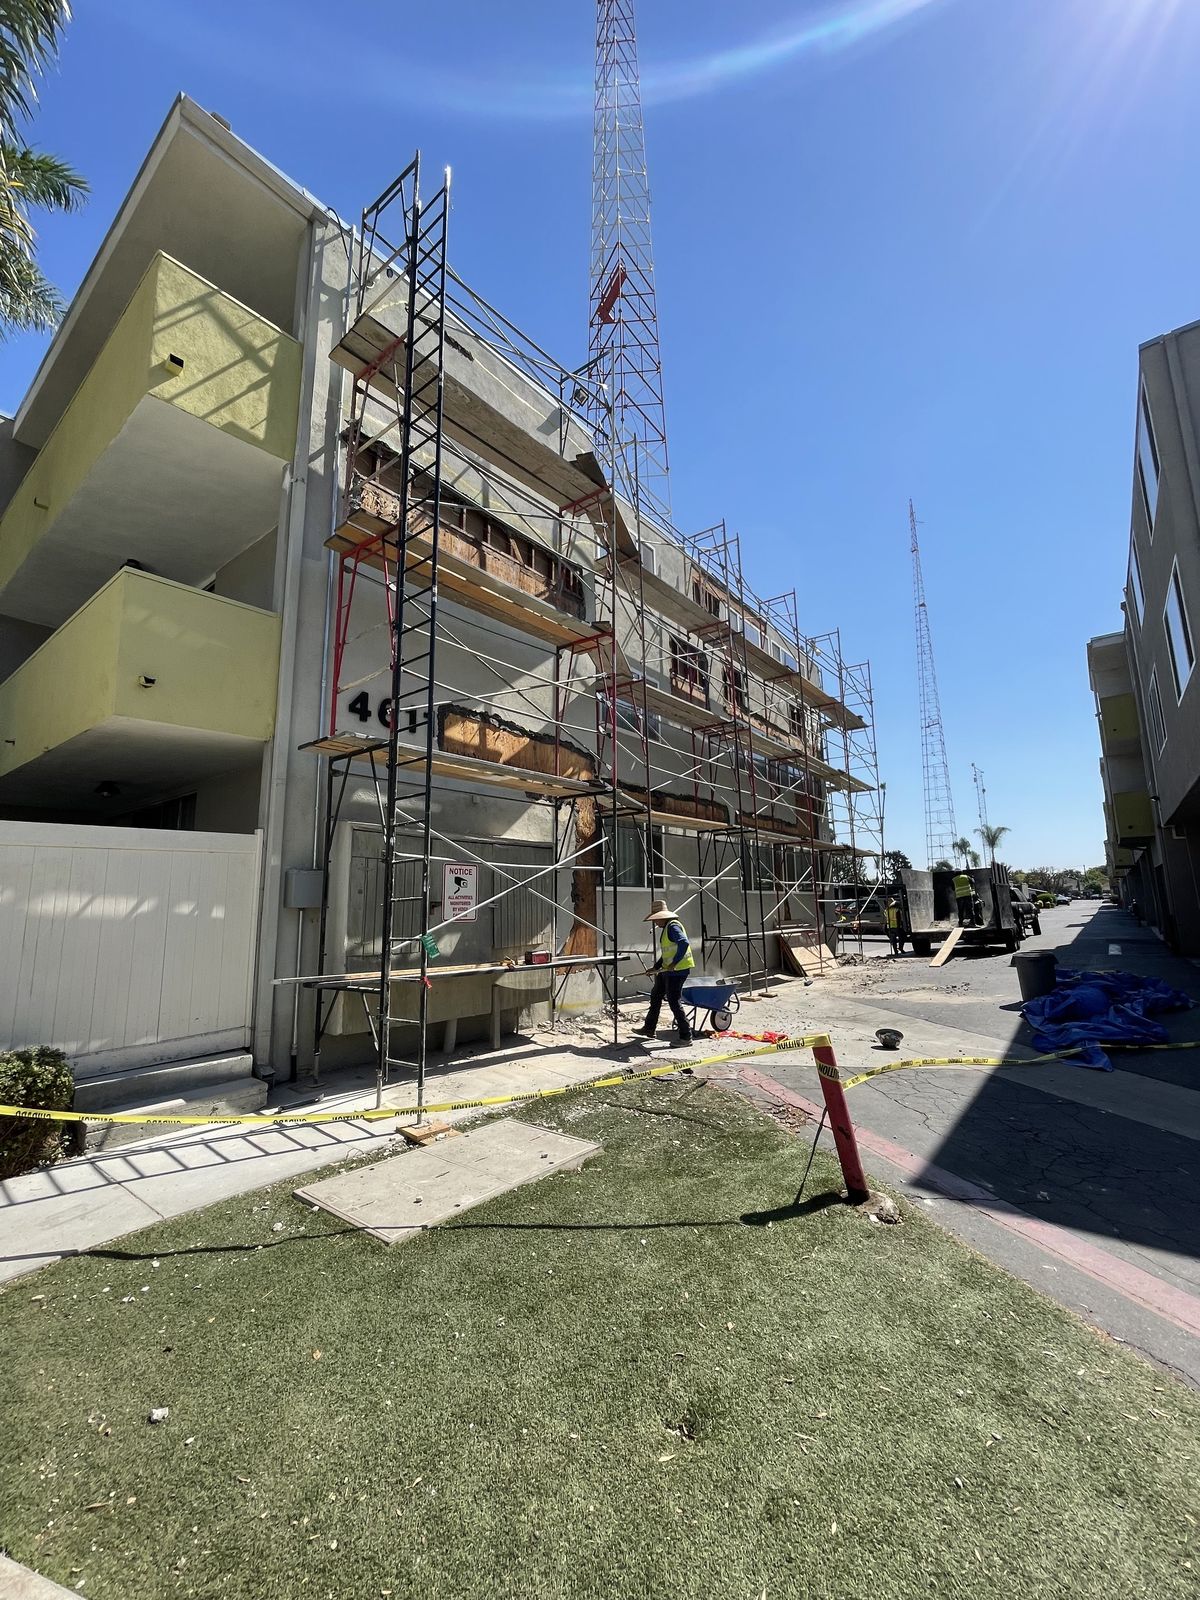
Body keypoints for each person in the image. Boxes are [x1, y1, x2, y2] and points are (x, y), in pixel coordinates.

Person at [633, 899, 695, 1046]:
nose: (655, 923)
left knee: (674, 1001)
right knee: (656, 996)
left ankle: (686, 1036)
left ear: (662, 916)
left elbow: (684, 943)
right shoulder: (667, 928)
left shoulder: (673, 927)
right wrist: (656, 967)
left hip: (678, 970)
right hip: (667, 970)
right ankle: (649, 1028)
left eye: (656, 920)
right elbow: (668, 953)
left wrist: (674, 963)